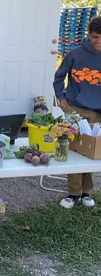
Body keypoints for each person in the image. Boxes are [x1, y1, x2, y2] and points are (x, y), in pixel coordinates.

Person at [54, 16, 101, 209]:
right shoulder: (75, 54)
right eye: (96, 37)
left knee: (92, 151)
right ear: (89, 35)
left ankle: (86, 192)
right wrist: (61, 96)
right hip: (75, 107)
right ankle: (73, 193)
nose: (99, 41)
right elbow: (58, 77)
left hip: (98, 110)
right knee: (73, 149)